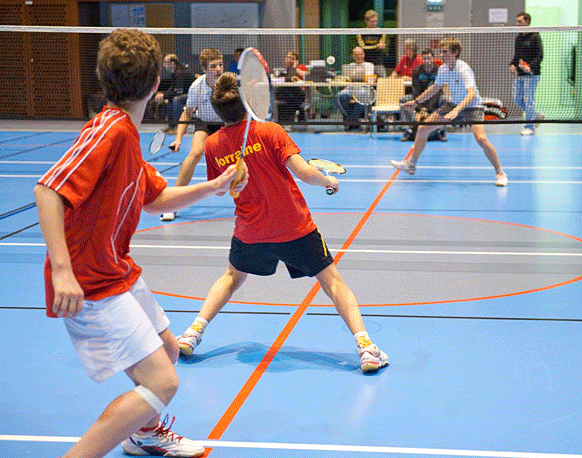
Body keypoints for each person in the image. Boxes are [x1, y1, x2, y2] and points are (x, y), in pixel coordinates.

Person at [33, 29, 247, 458]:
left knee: (168, 349)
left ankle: (145, 434)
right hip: (89, 282)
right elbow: (47, 190)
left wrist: (215, 185)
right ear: (155, 85)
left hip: (116, 269)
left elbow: (155, 199)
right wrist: (63, 272)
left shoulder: (126, 136)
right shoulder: (109, 131)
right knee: (163, 382)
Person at [176, 72, 389, 374]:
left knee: (232, 277)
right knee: (332, 282)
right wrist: (328, 181)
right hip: (293, 227)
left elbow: (221, 189)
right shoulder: (270, 131)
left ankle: (191, 333)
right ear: (247, 102)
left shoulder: (212, 145)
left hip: (250, 231)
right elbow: (304, 172)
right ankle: (366, 348)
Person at [390, 37, 508, 187]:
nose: (442, 55)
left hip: (472, 106)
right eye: (441, 52)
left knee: (481, 139)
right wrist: (416, 102)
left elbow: (471, 94)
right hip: (453, 104)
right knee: (422, 128)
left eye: (445, 52)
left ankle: (500, 172)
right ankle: (411, 165)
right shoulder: (443, 69)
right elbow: (434, 88)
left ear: (455, 52)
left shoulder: (463, 69)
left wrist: (456, 111)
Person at [161, 48, 225, 221]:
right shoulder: (197, 87)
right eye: (213, 66)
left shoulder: (229, 83)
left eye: (220, 65)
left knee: (248, 156)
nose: (218, 69)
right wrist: (178, 138)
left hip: (227, 123)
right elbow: (187, 113)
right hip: (205, 123)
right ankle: (173, 204)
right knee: (195, 153)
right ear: (204, 68)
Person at [400, 48, 446, 142]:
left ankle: (441, 131)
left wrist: (428, 110)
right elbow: (416, 91)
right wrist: (420, 110)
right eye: (425, 59)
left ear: (433, 58)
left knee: (446, 100)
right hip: (420, 98)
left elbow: (437, 92)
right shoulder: (416, 71)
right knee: (403, 100)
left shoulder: (439, 71)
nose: (427, 61)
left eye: (429, 58)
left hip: (435, 98)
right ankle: (407, 131)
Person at [510, 12, 544, 135]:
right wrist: (512, 64)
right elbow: (517, 55)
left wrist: (530, 66)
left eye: (520, 21)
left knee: (528, 99)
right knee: (516, 98)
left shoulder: (535, 36)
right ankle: (535, 115)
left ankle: (530, 127)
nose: (518, 24)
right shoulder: (518, 38)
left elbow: (540, 55)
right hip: (520, 74)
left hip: (532, 74)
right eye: (517, 21)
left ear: (527, 22)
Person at [151, 54, 195, 133]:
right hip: (185, 94)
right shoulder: (174, 72)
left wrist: (164, 96)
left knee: (176, 99)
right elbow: (173, 88)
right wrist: (163, 96)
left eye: (165, 62)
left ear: (172, 63)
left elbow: (178, 91)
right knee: (170, 99)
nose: (163, 65)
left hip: (193, 95)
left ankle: (179, 127)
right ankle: (171, 126)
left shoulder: (179, 72)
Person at [335, 46, 375, 131]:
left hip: (364, 90)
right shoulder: (349, 66)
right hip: (350, 89)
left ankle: (351, 121)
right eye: (356, 55)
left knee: (362, 98)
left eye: (360, 54)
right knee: (339, 96)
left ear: (364, 55)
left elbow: (370, 80)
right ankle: (353, 120)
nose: (359, 56)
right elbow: (345, 80)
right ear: (353, 56)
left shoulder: (369, 65)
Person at [274, 51, 308, 126]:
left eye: (292, 58)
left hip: (298, 93)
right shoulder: (285, 70)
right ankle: (298, 106)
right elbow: (285, 78)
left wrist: (294, 67)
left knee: (280, 91)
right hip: (289, 94)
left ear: (296, 61)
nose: (289, 60)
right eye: (288, 58)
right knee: (280, 92)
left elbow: (292, 77)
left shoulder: (300, 68)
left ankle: (288, 120)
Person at [357, 9, 386, 78]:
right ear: (366, 21)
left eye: (376, 21)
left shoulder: (381, 32)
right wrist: (376, 46)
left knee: (383, 81)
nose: (374, 23)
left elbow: (382, 45)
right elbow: (362, 46)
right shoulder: (361, 32)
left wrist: (377, 46)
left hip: (378, 63)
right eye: (372, 21)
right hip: (366, 63)